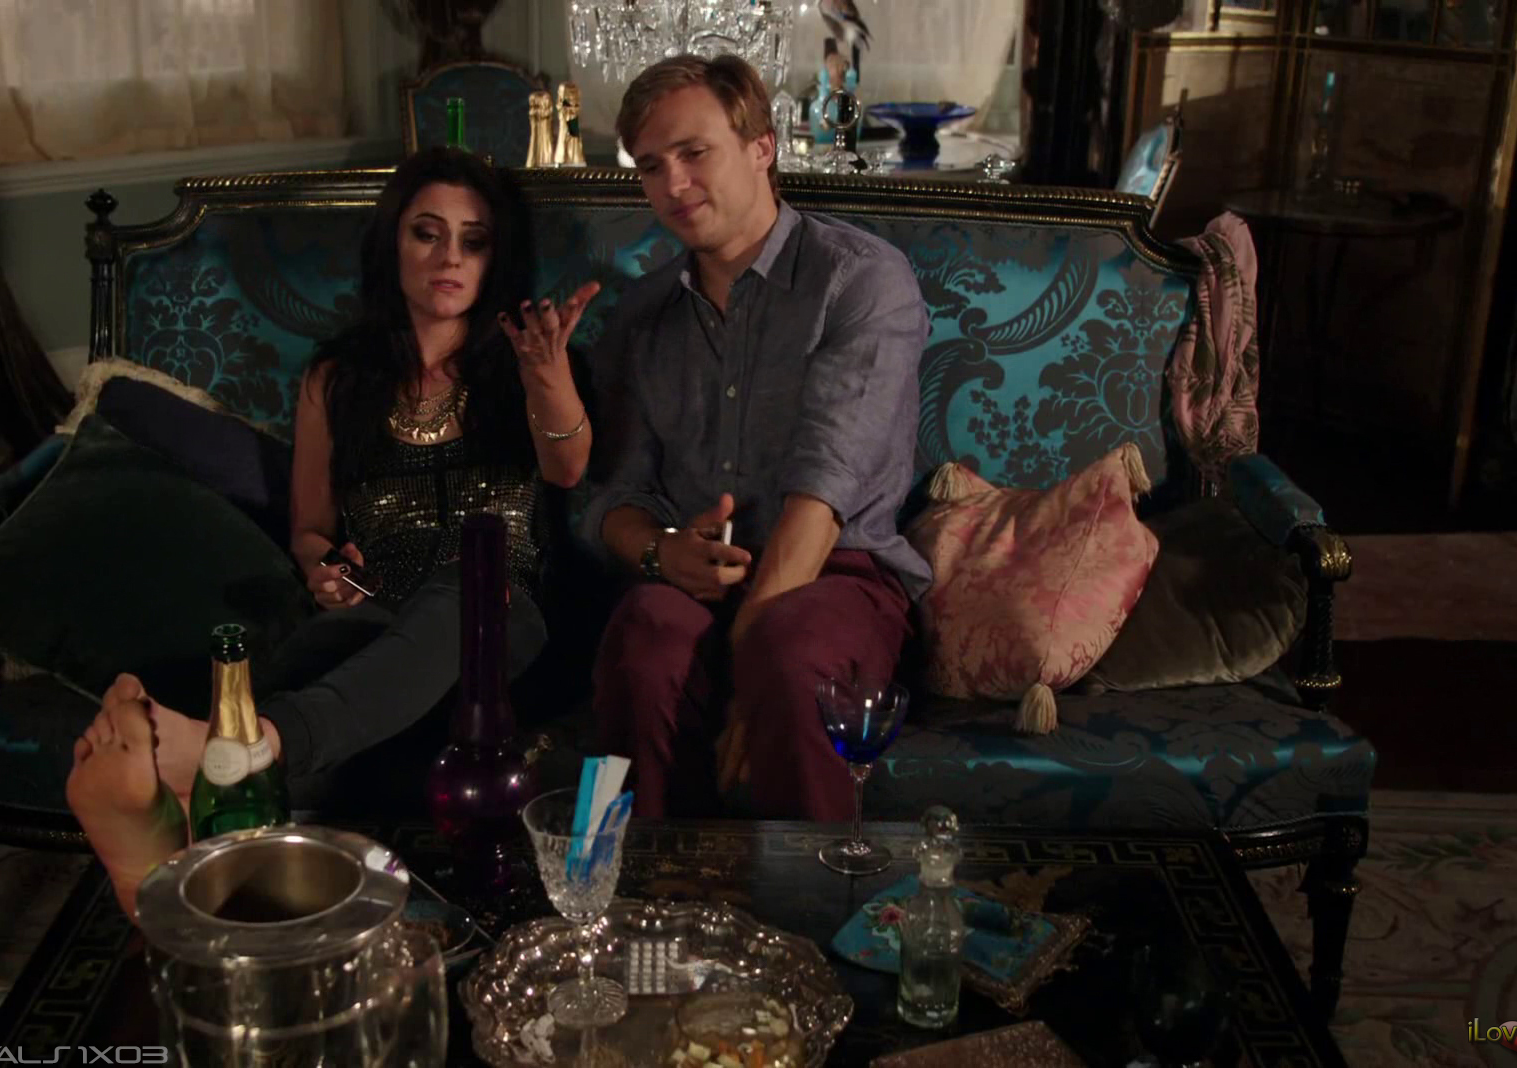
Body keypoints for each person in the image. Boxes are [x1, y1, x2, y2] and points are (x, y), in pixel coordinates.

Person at [66, 147, 600, 917]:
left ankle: (245, 751)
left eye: (473, 240)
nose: (449, 256)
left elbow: (568, 468)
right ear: (393, 244)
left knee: (464, 591)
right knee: (320, 655)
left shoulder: (531, 359)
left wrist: (546, 373)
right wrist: (326, 572)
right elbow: (310, 531)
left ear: (497, 257)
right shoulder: (336, 378)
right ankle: (192, 862)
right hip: (377, 615)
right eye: (427, 233)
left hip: (502, 618)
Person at [585, 54, 931, 823]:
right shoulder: (643, 315)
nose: (673, 184)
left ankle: (808, 896)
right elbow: (613, 498)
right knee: (644, 633)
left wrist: (746, 678)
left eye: (693, 153)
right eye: (651, 166)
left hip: (837, 574)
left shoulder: (859, 280)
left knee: (787, 648)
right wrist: (658, 552)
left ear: (761, 148)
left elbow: (823, 497)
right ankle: (645, 883)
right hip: (699, 577)